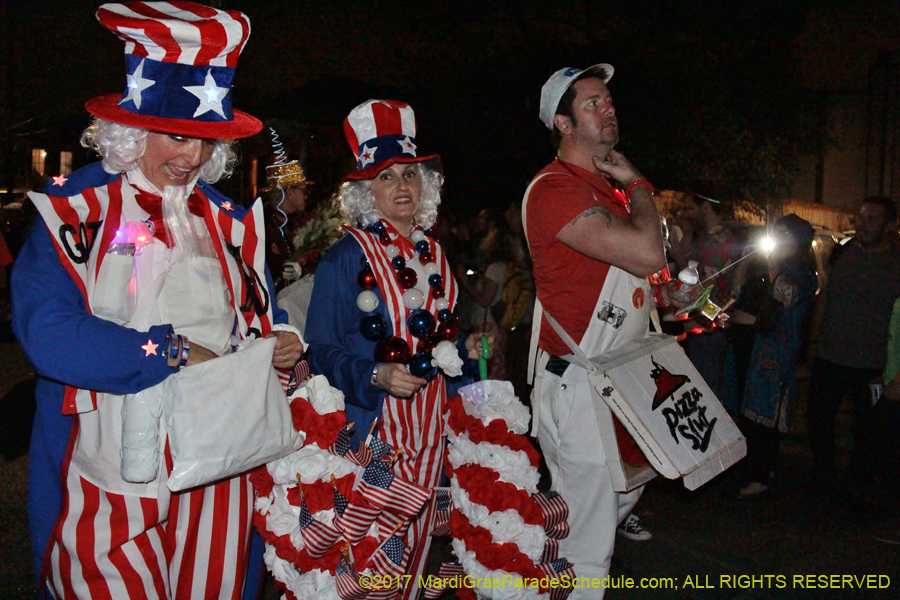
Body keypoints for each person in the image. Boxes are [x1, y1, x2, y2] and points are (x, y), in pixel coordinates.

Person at [10, 4, 303, 598]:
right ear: (133, 127)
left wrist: (280, 339)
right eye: (176, 135)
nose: (191, 158)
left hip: (219, 458)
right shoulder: (73, 208)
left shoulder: (232, 221)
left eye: (204, 140)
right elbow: (48, 330)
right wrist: (166, 351)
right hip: (107, 463)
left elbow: (255, 314)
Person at [305, 99, 490, 600]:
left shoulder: (435, 252)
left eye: (410, 175)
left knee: (416, 549)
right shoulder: (345, 259)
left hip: (434, 430)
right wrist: (374, 375)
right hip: (374, 434)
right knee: (369, 555)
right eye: (387, 178)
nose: (403, 187)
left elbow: (443, 341)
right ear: (367, 191)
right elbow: (318, 351)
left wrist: (466, 348)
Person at [523, 64, 681, 597]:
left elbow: (633, 274)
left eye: (609, 100)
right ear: (564, 123)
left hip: (621, 377)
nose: (609, 109)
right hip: (582, 384)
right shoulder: (555, 189)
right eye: (594, 103)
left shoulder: (598, 189)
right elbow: (646, 251)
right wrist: (637, 181)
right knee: (589, 545)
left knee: (612, 506)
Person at [807, 196, 900, 491]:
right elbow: (825, 297)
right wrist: (813, 340)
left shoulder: (895, 265)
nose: (862, 225)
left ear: (890, 226)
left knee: (867, 426)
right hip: (831, 354)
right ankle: (824, 474)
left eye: (872, 219)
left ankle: (858, 482)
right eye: (861, 218)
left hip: (872, 362)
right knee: (819, 417)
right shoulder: (843, 253)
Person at [736, 215, 818, 498]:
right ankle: (760, 470)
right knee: (756, 413)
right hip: (766, 350)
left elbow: (781, 300)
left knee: (766, 414)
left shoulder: (800, 275)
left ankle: (760, 475)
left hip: (780, 355)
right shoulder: (787, 271)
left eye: (784, 235)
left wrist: (772, 270)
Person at [260, 127, 313, 291]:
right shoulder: (260, 226)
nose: (306, 196)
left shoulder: (302, 224)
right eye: (304, 191)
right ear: (289, 192)